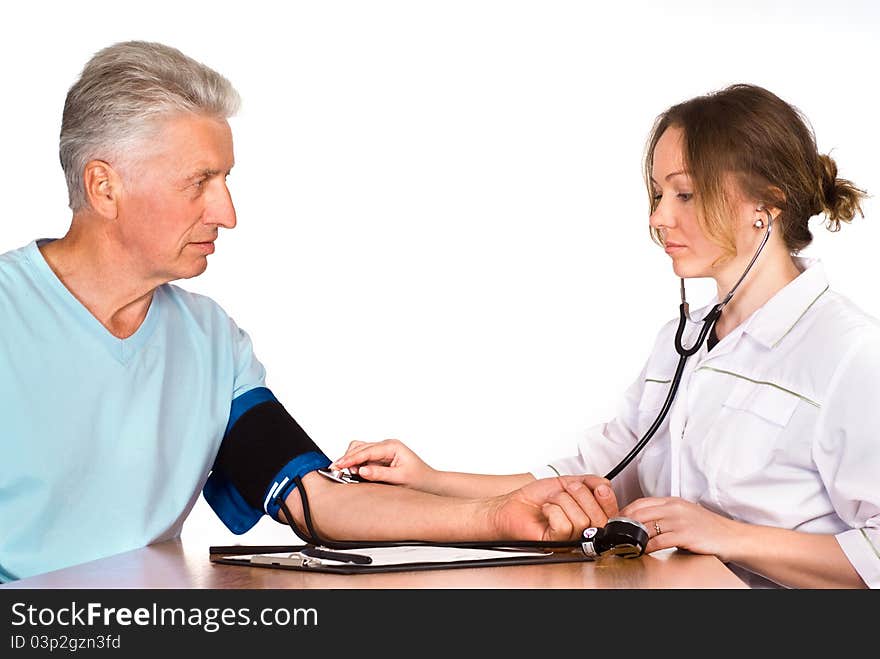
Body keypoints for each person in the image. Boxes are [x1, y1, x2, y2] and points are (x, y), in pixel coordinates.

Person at [0, 41, 618, 583]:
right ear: (105, 187)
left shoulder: (211, 340)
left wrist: (498, 516)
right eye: (199, 182)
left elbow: (312, 500)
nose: (227, 212)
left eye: (226, 180)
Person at [332, 84, 880, 589]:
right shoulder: (682, 341)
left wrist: (724, 534)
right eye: (657, 194)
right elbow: (596, 478)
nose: (659, 218)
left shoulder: (847, 352)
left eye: (685, 194)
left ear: (766, 203)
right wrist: (427, 479)